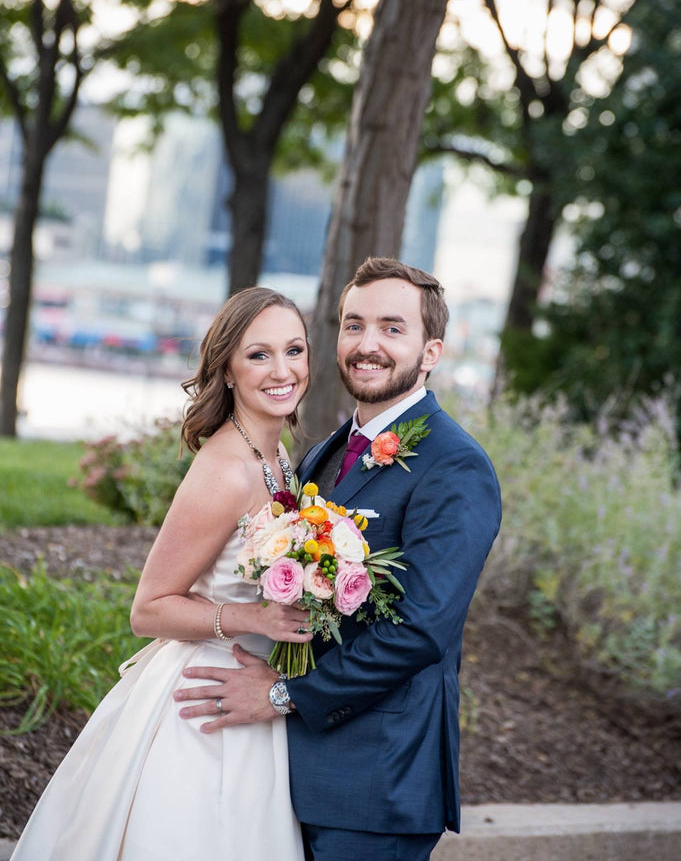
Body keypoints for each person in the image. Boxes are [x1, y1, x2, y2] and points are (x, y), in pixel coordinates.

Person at [175, 257, 502, 861]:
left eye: (391, 328)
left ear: (431, 352)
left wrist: (281, 696)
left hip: (374, 782)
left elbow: (421, 629)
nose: (367, 344)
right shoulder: (325, 452)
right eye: (354, 325)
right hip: (281, 772)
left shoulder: (456, 467)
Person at [11, 287, 312, 861]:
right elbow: (148, 608)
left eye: (294, 350)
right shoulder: (225, 470)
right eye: (259, 355)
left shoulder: (278, 456)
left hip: (254, 691)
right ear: (226, 369)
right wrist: (255, 615)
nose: (283, 370)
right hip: (204, 704)